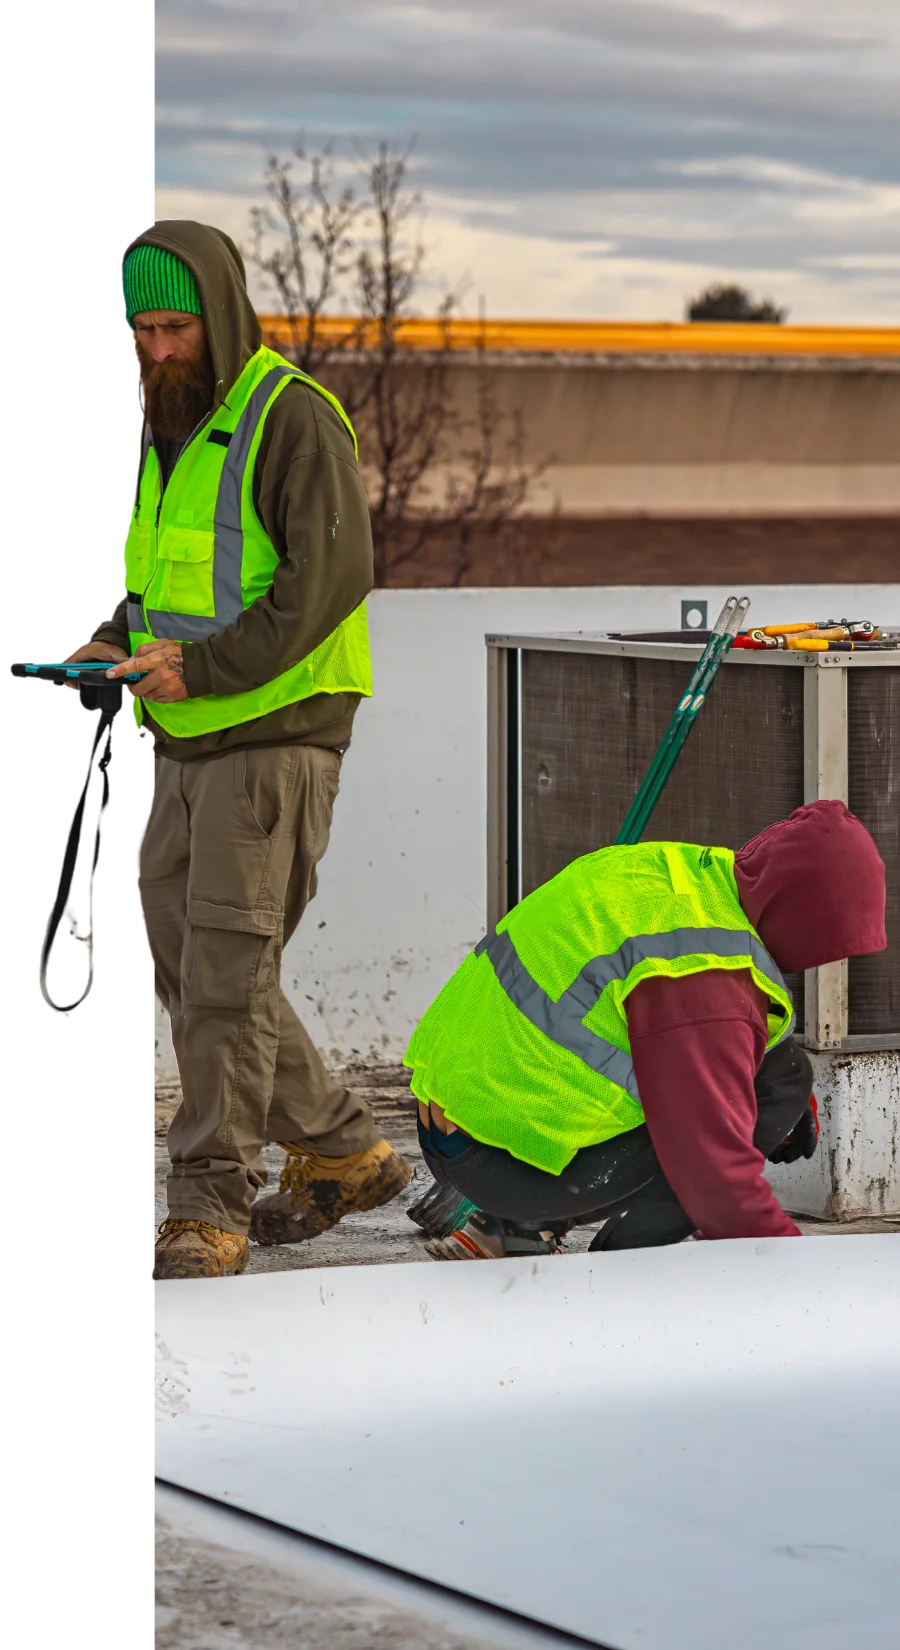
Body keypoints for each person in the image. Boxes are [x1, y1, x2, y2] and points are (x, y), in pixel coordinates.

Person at [70, 222, 410, 1278]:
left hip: (273, 741)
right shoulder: (173, 433)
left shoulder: (289, 418)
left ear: (218, 317)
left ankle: (209, 1209)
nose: (158, 349)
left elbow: (324, 583)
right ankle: (347, 1148)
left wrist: (203, 670)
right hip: (187, 739)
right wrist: (116, 642)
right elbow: (174, 589)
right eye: (143, 330)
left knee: (223, 973)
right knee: (192, 958)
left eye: (176, 327)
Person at [404, 802, 886, 1259]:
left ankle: (512, 1226)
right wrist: (795, 1273)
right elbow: (713, 1175)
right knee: (747, 1108)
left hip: (460, 1118)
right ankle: (624, 1261)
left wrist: (773, 1086)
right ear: (803, 916)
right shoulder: (702, 975)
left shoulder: (676, 873)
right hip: (502, 1160)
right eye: (829, 941)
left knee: (781, 1075)